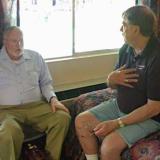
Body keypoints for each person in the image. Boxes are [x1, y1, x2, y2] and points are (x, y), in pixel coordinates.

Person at [75, 5, 160, 160]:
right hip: (120, 105)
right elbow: (113, 84)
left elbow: (154, 108)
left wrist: (116, 123)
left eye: (124, 24)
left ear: (135, 29)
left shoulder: (156, 57)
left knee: (108, 147)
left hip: (148, 117)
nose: (121, 29)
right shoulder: (125, 49)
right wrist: (110, 80)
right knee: (82, 121)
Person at [0, 26, 71, 160]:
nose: (19, 45)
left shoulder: (35, 57)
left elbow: (45, 83)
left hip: (36, 106)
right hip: (7, 111)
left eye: (21, 40)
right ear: (5, 41)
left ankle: (50, 157)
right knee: (9, 131)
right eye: (14, 41)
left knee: (62, 118)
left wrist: (53, 99)